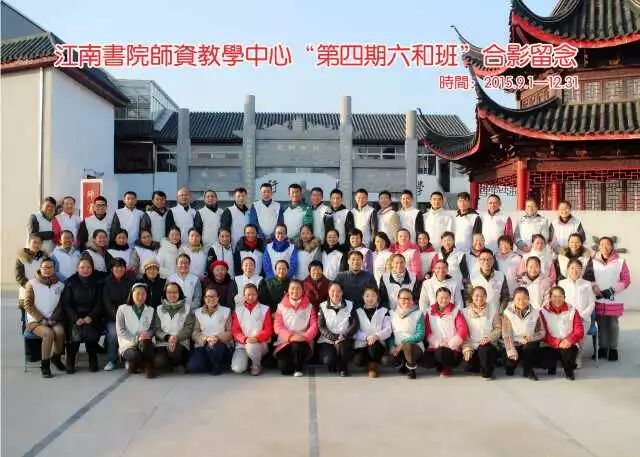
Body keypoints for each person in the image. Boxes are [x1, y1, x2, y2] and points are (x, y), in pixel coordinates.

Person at [586, 236, 630, 361]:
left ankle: (613, 349)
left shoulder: (620, 261)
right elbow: (588, 276)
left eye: (608, 244)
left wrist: (612, 290)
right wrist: (594, 287)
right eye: (602, 244)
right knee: (601, 324)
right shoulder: (592, 260)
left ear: (612, 246)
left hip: (613, 298)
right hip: (598, 298)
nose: (605, 247)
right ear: (598, 246)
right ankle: (603, 348)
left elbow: (626, 280)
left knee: (613, 324)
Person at [23, 259, 67, 377]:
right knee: (48, 334)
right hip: (35, 321)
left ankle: (56, 358)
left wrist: (53, 318)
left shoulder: (59, 285)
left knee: (60, 332)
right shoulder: (32, 283)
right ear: (40, 269)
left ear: (54, 269)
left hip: (53, 319)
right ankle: (45, 365)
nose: (48, 270)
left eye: (50, 267)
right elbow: (28, 305)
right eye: (45, 267)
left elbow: (59, 305)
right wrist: (41, 319)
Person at [61, 256, 103, 373]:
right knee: (75, 333)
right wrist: (75, 318)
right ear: (77, 268)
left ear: (92, 268)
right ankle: (70, 360)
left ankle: (92, 359)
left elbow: (99, 302)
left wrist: (91, 316)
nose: (85, 270)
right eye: (82, 267)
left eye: (88, 267)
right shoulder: (70, 282)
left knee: (90, 332)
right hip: (74, 317)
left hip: (92, 316)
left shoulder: (97, 282)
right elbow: (66, 304)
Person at [273, 280, 319, 377]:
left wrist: (305, 337)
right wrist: (290, 336)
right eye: (292, 288)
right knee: (285, 370)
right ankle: (293, 362)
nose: (295, 291)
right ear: (288, 290)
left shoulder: (309, 306)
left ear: (303, 291)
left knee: (298, 346)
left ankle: (299, 367)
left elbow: (314, 326)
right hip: (286, 341)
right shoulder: (281, 306)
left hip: (303, 340)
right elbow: (277, 327)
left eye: (298, 288)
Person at [539, 287, 584, 380]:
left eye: (560, 296)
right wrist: (557, 342)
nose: (557, 299)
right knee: (545, 361)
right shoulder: (543, 311)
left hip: (568, 343)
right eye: (554, 296)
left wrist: (569, 340)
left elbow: (579, 330)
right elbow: (543, 332)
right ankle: (552, 366)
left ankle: (569, 371)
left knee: (568, 355)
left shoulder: (572, 310)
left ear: (564, 297)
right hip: (550, 344)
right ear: (550, 298)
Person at [558, 259, 596, 368]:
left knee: (580, 336)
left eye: (577, 268)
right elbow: (558, 301)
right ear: (568, 270)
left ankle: (578, 357)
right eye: (572, 268)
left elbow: (592, 303)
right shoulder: (561, 283)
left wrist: (582, 315)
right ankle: (565, 356)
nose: (575, 270)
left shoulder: (587, 284)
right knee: (564, 335)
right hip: (566, 317)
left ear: (581, 270)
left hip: (583, 318)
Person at [424, 287, 469, 377]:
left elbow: (463, 331)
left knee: (442, 352)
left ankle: (446, 368)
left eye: (447, 298)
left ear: (450, 298)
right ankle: (440, 365)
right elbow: (428, 332)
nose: (444, 300)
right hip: (435, 346)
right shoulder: (429, 312)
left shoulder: (456, 311)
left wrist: (450, 344)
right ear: (436, 298)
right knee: (426, 361)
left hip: (452, 348)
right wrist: (438, 343)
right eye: (441, 297)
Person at [188, 287, 233, 375]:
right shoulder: (198, 312)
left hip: (220, 344)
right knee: (193, 367)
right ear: (204, 298)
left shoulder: (226, 311)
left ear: (218, 298)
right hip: (204, 344)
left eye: (213, 296)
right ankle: (213, 363)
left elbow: (230, 331)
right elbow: (195, 333)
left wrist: (217, 337)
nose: (210, 299)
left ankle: (216, 365)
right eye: (207, 296)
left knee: (214, 348)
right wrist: (206, 338)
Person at [502, 287, 545, 380]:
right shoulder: (508, 313)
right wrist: (511, 350)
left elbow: (542, 332)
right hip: (514, 343)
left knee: (530, 347)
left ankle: (528, 370)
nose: (521, 302)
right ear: (513, 299)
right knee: (510, 366)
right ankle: (511, 365)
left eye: (525, 298)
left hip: (528, 343)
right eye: (518, 299)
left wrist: (531, 337)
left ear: (529, 298)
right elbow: (506, 334)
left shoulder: (535, 313)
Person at [231, 283, 273, 376]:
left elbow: (268, 329)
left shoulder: (265, 309)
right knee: (237, 368)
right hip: (242, 345)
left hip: (259, 344)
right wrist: (244, 339)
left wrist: (256, 338)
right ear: (244, 296)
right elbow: (235, 330)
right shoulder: (238, 310)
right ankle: (249, 360)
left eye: (253, 294)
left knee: (251, 347)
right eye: (248, 294)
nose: (251, 297)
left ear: (257, 295)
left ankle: (256, 365)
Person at [115, 283, 156, 378]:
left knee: (146, 345)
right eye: (137, 293)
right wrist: (136, 338)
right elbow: (120, 330)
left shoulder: (150, 310)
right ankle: (145, 366)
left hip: (145, 342)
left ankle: (139, 366)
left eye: (143, 294)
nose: (140, 297)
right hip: (128, 344)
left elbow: (153, 328)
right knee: (134, 356)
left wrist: (148, 334)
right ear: (131, 294)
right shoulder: (122, 309)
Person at [317, 282, 358, 376]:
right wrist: (334, 337)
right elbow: (321, 326)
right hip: (328, 340)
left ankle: (343, 368)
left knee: (343, 347)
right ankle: (334, 362)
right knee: (328, 359)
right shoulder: (322, 306)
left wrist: (344, 336)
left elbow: (355, 324)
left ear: (342, 292)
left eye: (338, 291)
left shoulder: (350, 304)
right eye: (332, 291)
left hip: (344, 339)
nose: (335, 293)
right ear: (328, 292)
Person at [154, 282, 195, 372]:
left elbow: (188, 328)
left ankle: (177, 364)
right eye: (169, 292)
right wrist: (168, 337)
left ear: (180, 293)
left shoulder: (187, 308)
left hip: (181, 343)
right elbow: (157, 329)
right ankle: (169, 364)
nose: (172, 295)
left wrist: (176, 338)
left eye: (175, 292)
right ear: (165, 294)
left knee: (175, 351)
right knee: (158, 362)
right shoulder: (159, 309)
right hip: (163, 343)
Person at [461, 286, 501, 380]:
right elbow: (463, 333)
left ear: (486, 297)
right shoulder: (464, 312)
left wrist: (489, 338)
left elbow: (498, 328)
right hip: (472, 345)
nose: (479, 298)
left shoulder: (493, 310)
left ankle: (487, 373)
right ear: (472, 296)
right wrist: (466, 348)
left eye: (482, 296)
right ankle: (482, 364)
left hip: (487, 344)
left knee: (484, 351)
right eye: (476, 295)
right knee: (468, 367)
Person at [102, 257, 135, 371]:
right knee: (112, 334)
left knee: (129, 333)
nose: (119, 269)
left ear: (125, 268)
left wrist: (125, 316)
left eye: (121, 267)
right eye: (116, 266)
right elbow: (107, 302)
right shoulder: (106, 282)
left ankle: (127, 359)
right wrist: (117, 317)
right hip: (112, 316)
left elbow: (132, 299)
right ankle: (111, 360)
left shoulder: (131, 281)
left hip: (128, 316)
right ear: (112, 269)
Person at [353, 286, 391, 378]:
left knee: (373, 350)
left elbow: (388, 330)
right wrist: (366, 337)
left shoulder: (384, 311)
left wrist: (376, 336)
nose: (370, 298)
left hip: (378, 343)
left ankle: (373, 366)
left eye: (373, 295)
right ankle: (368, 364)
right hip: (362, 343)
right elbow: (354, 331)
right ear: (363, 297)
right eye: (367, 296)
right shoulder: (357, 312)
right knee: (358, 361)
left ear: (377, 297)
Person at [388, 288, 425, 379]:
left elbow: (420, 334)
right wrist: (391, 346)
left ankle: (412, 369)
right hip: (397, 348)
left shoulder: (418, 313)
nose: (407, 301)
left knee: (408, 346)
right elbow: (390, 334)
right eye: (404, 298)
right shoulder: (391, 314)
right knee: (386, 360)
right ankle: (402, 365)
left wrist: (404, 343)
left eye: (409, 298)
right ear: (398, 299)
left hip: (414, 347)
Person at [468, 248, 510, 315]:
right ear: (479, 260)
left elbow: (505, 297)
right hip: (478, 314)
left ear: (493, 260)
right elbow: (468, 297)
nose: (486, 262)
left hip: (496, 314)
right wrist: (473, 311)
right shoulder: (472, 276)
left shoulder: (501, 275)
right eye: (483, 259)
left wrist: (501, 312)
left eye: (489, 259)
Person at [15, 234, 48, 310]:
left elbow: (48, 274)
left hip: (42, 294)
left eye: (39, 243)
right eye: (34, 242)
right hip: (26, 295)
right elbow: (19, 277)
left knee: (40, 316)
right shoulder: (21, 258)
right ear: (29, 243)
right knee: (26, 317)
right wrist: (30, 288)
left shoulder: (45, 258)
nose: (36, 245)